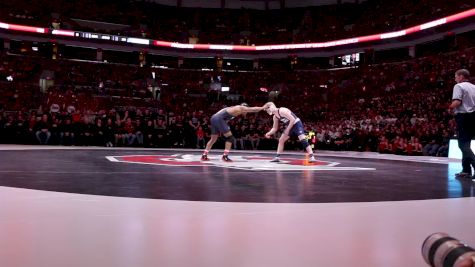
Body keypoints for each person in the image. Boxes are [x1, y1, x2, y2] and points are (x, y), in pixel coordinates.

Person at [449, 69, 475, 179]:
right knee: (466, 144)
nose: (455, 78)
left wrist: (449, 108)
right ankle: (466, 170)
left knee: (463, 144)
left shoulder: (459, 86)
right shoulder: (474, 87)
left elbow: (457, 102)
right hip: (473, 116)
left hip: (464, 117)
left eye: (456, 76)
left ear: (461, 76)